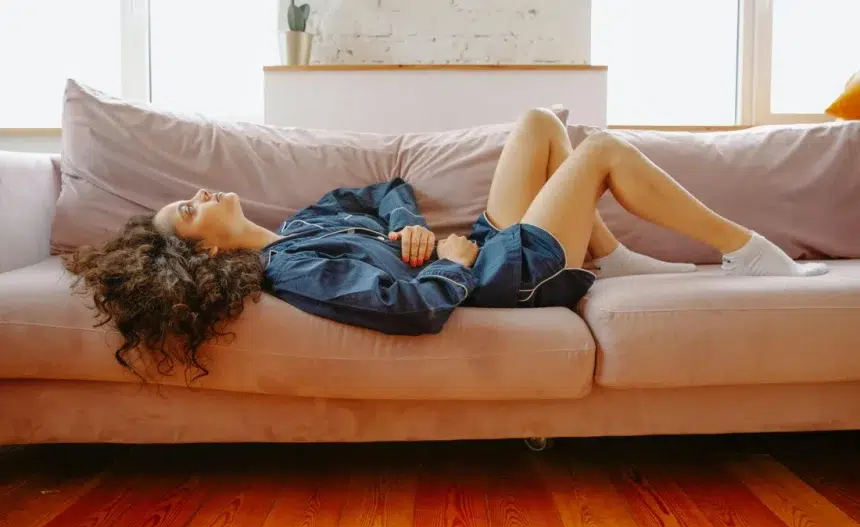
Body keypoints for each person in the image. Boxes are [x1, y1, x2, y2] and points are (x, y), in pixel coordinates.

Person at [64, 108, 827, 379]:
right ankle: (751, 252)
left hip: (484, 245)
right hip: (497, 277)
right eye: (190, 211)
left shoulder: (300, 225)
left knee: (539, 124)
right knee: (600, 152)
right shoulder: (289, 269)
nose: (202, 195)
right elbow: (405, 310)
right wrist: (453, 269)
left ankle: (614, 259)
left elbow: (384, 185)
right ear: (203, 253)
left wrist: (409, 222)